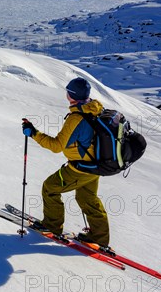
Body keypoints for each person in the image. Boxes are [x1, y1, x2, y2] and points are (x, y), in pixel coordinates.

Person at [21, 77, 112, 251]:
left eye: (68, 92)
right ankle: (99, 238)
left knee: (50, 188)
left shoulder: (76, 118)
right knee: (87, 198)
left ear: (71, 95)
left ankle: (52, 226)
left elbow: (56, 146)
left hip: (81, 167)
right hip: (96, 166)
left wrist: (33, 133)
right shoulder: (96, 109)